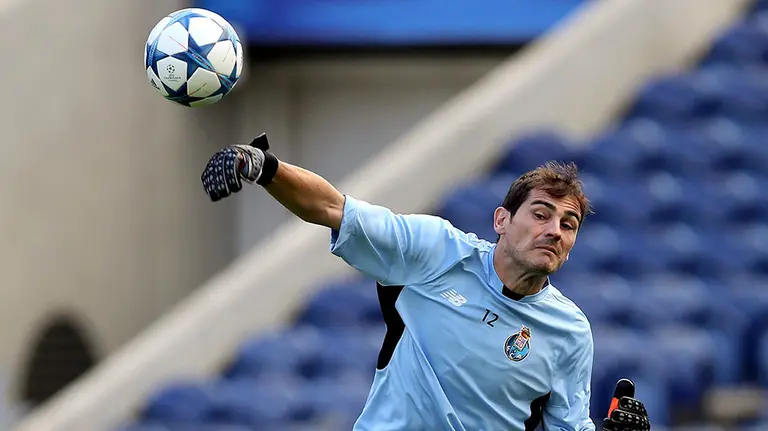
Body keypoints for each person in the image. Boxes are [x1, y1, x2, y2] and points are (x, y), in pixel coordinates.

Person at [200, 134, 652, 431]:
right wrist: (261, 165)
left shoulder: (570, 332)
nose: (554, 229)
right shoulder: (437, 251)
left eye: (568, 224)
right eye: (540, 214)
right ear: (501, 219)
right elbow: (334, 209)